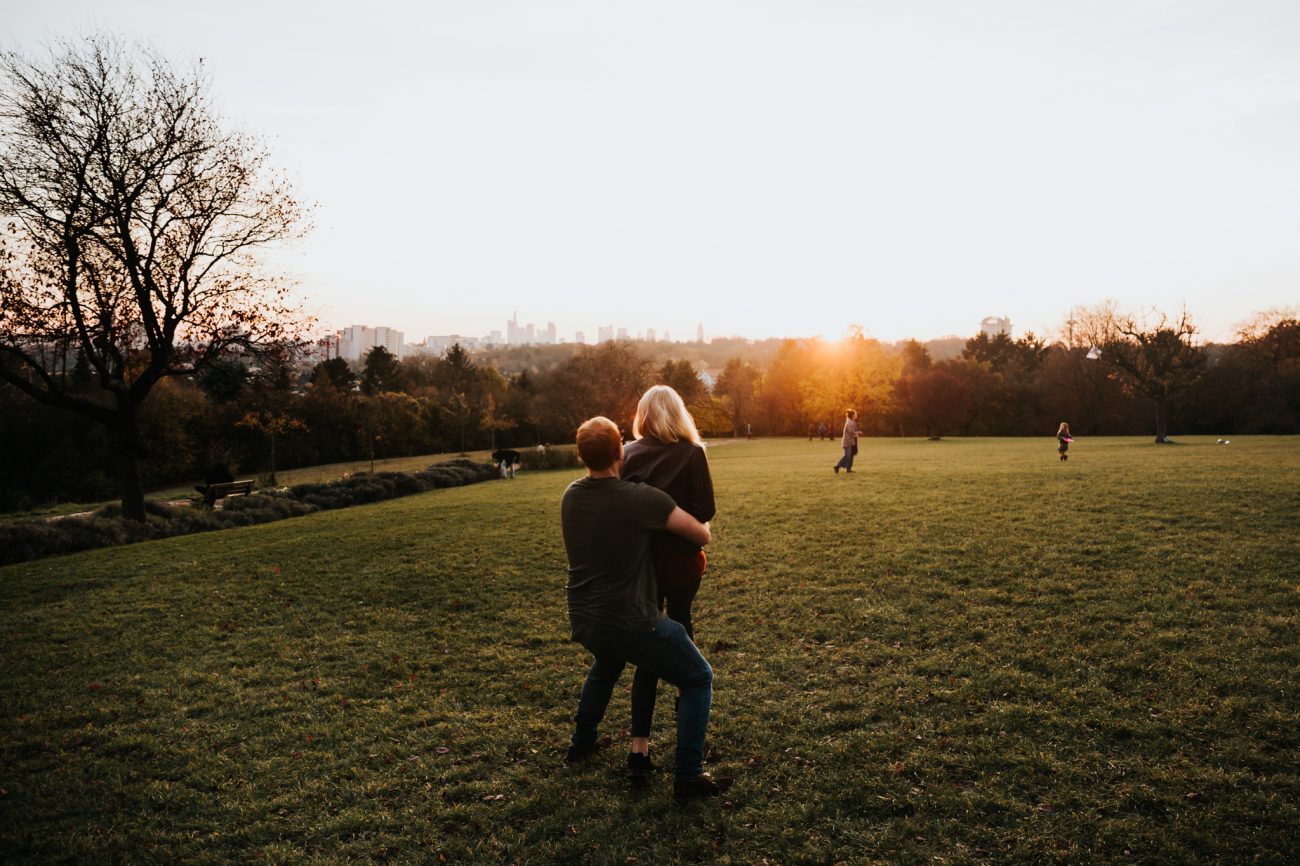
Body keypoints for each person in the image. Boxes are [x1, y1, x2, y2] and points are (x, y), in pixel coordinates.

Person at [561, 416, 733, 800]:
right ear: (620, 450)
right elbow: (701, 532)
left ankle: (581, 743)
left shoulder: (571, 494)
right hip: (632, 621)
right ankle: (688, 777)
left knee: (607, 664)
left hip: (585, 617)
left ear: (580, 455)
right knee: (697, 677)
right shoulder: (639, 498)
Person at [621, 385, 716, 785]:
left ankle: (639, 748)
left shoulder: (628, 454)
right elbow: (706, 510)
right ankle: (686, 726)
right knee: (681, 628)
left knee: (648, 649)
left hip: (641, 566)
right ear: (678, 413)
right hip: (680, 563)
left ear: (643, 414)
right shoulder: (692, 453)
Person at [833, 409, 859, 473]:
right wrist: (857, 434)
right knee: (847, 455)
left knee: (850, 455)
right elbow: (850, 432)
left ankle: (848, 469)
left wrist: (857, 433)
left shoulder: (851, 421)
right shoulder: (849, 422)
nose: (856, 415)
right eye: (855, 414)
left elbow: (852, 431)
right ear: (852, 415)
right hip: (847, 442)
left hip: (850, 442)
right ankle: (837, 466)